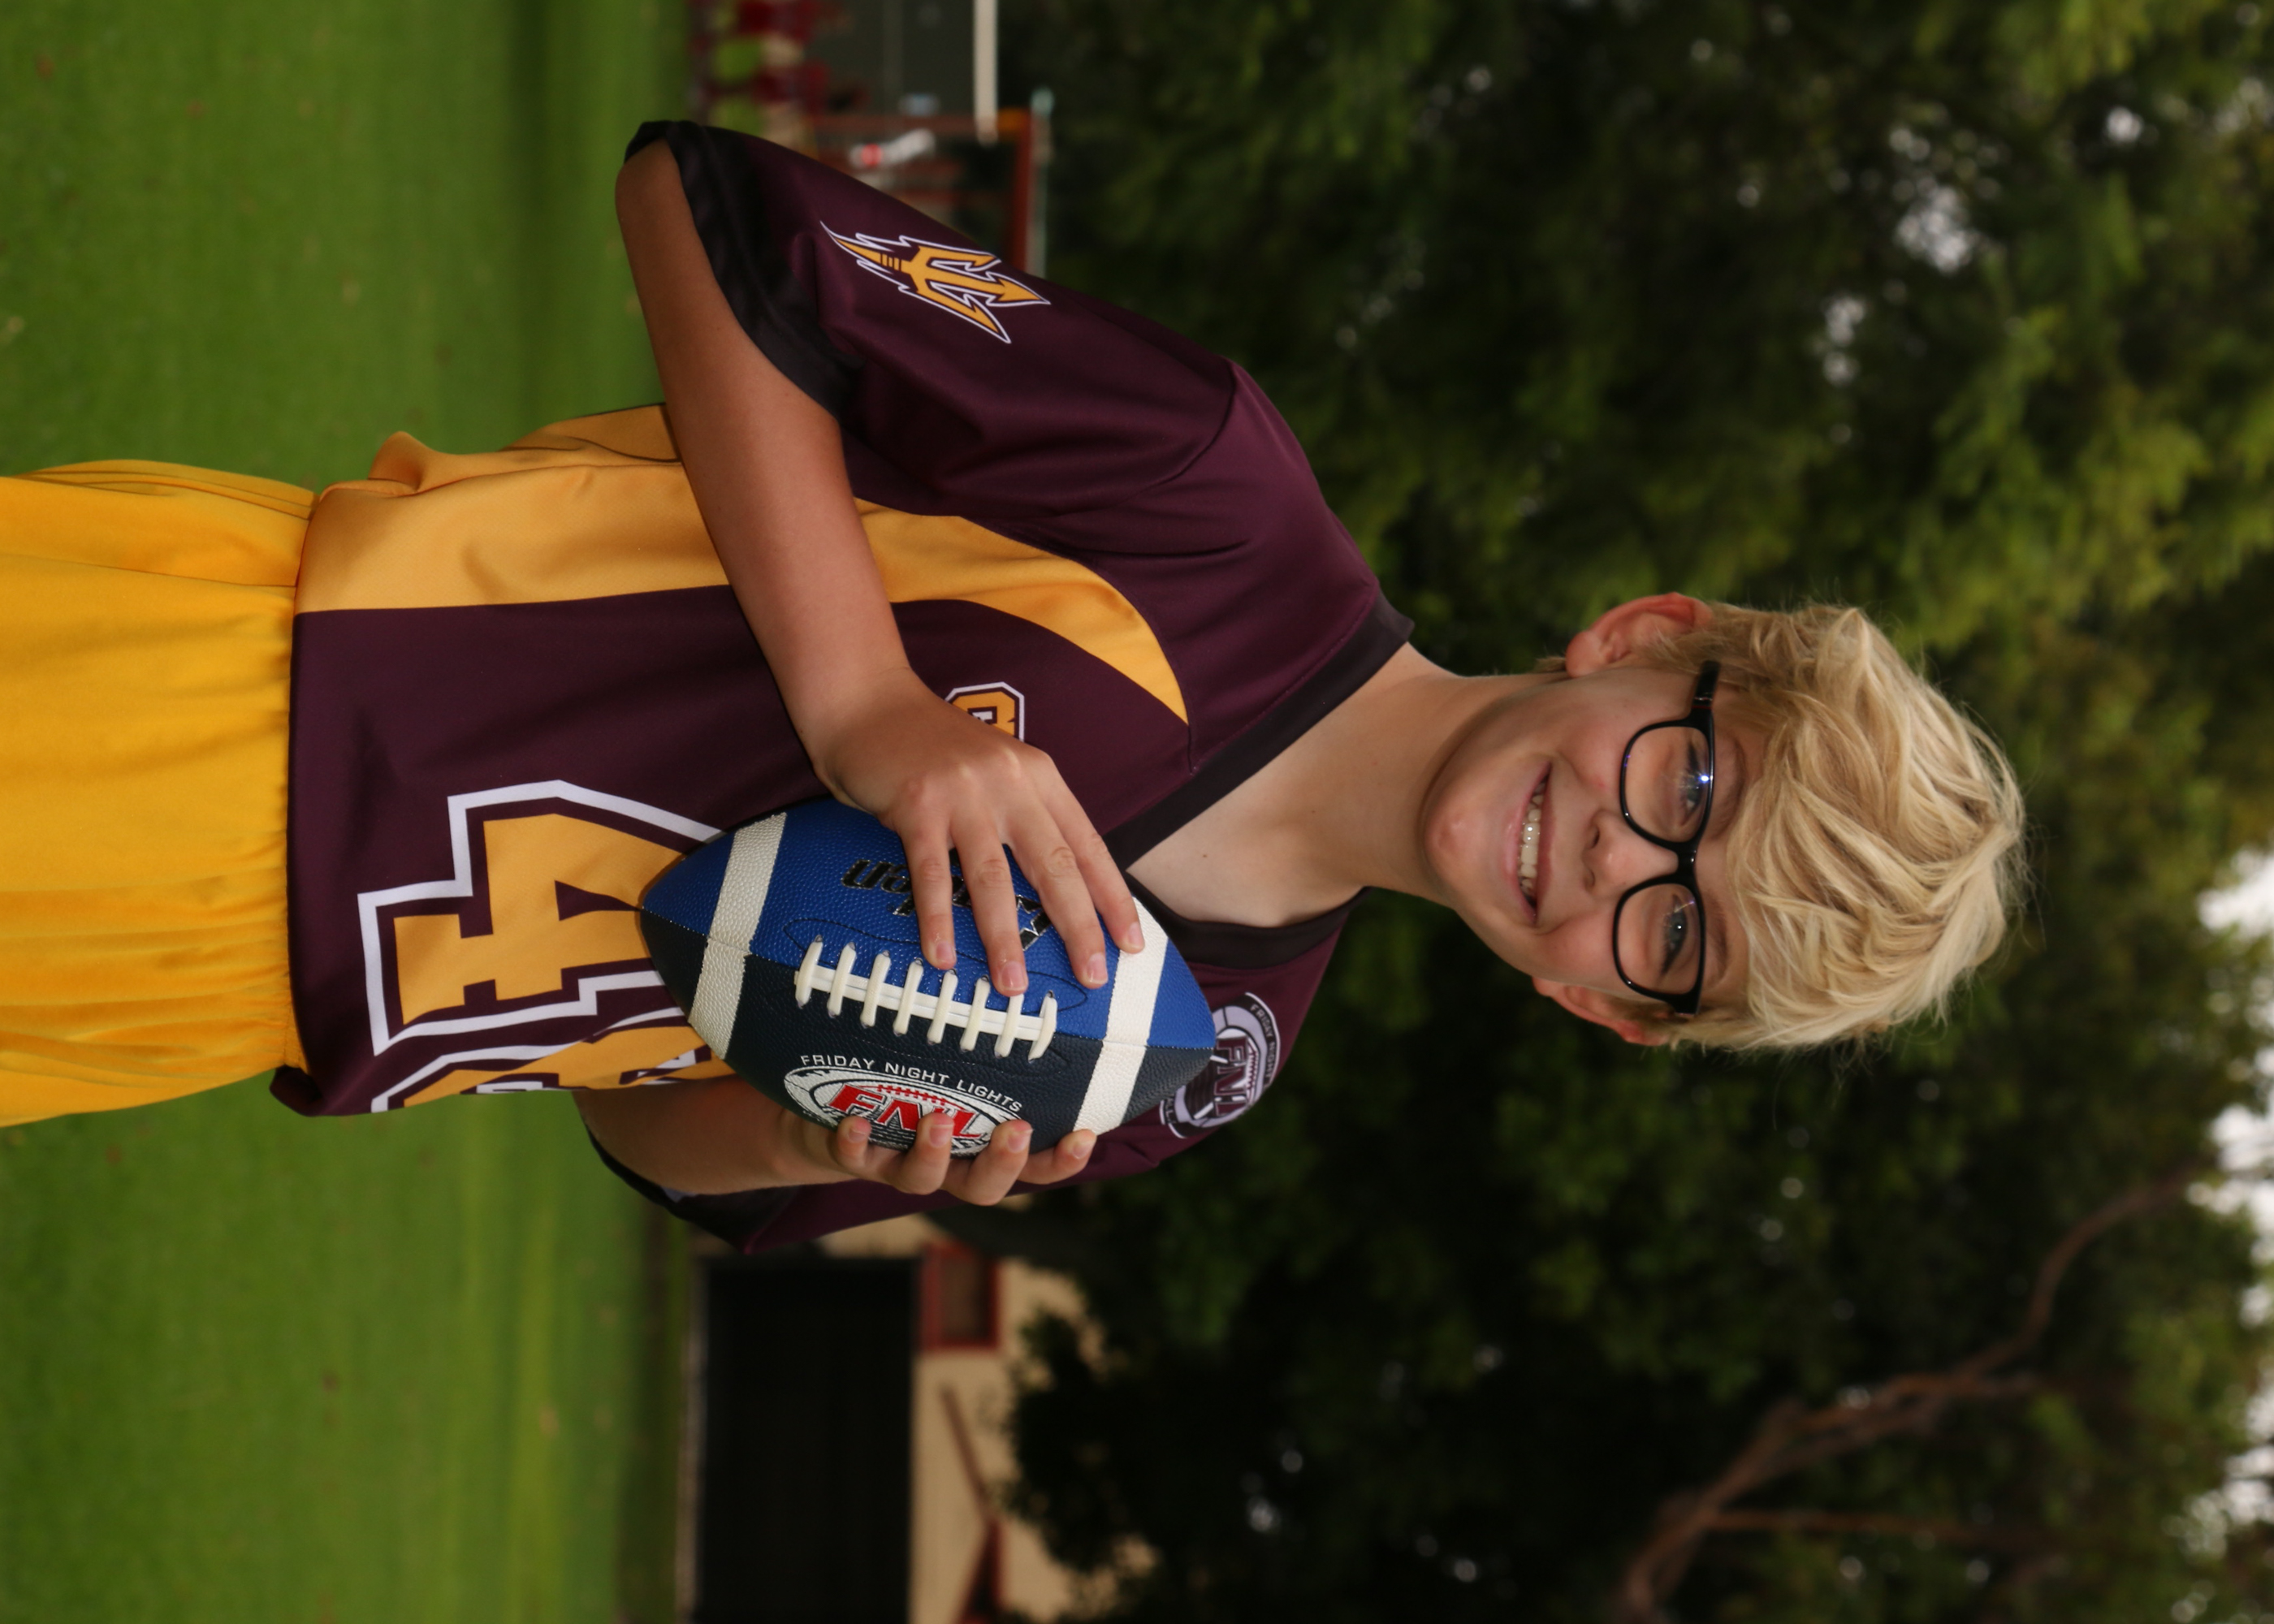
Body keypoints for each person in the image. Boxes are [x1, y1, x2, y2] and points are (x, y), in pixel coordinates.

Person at [0, 123, 2024, 1254]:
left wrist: (822, 1143)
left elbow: (645, 1137)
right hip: (223, 704)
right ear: (1647, 638)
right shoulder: (1213, 499)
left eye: (1669, 932)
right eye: (1691, 787)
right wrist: (870, 710)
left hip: (254, 1003)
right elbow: (711, 211)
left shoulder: (1191, 1053)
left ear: (1601, 1006)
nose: (1612, 857)